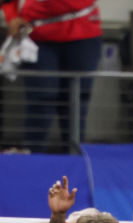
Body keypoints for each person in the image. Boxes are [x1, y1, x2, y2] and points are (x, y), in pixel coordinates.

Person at [3, 0, 102, 151]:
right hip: (38, 35)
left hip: (84, 33)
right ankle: (33, 159)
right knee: (41, 101)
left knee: (76, 104)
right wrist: (12, 17)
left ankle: (74, 159)